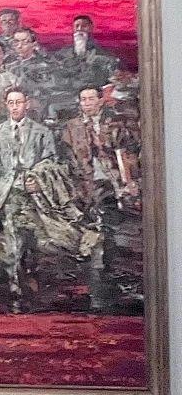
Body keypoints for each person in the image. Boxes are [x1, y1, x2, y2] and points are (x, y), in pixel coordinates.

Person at [0, 88, 91, 313]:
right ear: (6, 105)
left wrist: (39, 181)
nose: (15, 107)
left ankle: (33, 288)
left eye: (19, 102)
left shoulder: (42, 132)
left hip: (36, 195)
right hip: (10, 194)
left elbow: (51, 162)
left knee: (36, 243)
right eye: (11, 102)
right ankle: (16, 293)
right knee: (14, 244)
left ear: (27, 104)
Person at [60, 85, 141, 312]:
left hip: (110, 184)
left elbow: (128, 153)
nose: (87, 103)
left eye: (91, 98)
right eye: (83, 99)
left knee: (107, 232)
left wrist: (129, 181)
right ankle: (97, 288)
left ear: (100, 100)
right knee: (90, 233)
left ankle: (105, 285)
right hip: (84, 186)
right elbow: (68, 159)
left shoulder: (114, 123)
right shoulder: (72, 127)